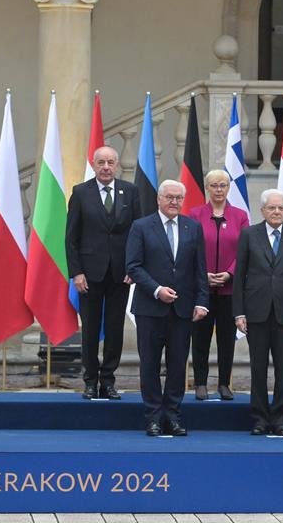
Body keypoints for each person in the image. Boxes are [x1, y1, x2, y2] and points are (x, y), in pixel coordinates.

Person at [126, 180, 209, 437]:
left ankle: (172, 416)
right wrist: (157, 290)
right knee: (149, 364)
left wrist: (202, 302)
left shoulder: (192, 227)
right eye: (169, 197)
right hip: (150, 309)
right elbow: (133, 266)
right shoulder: (141, 226)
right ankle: (152, 416)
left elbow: (200, 269)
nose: (174, 202)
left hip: (182, 311)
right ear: (159, 199)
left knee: (177, 366)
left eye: (178, 198)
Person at [64, 145, 142, 400]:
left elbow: (138, 234)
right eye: (101, 162)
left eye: (110, 162)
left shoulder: (130, 192)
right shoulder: (81, 193)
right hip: (89, 274)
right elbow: (71, 238)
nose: (106, 167)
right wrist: (76, 272)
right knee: (89, 329)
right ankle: (90, 380)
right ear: (94, 164)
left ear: (117, 164)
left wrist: (134, 267)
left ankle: (108, 380)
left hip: (121, 274)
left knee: (114, 329)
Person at [233, 189, 283, 437]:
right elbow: (239, 276)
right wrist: (239, 312)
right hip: (255, 311)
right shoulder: (249, 234)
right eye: (272, 208)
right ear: (263, 210)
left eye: (281, 208)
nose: (276, 212)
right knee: (258, 368)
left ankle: (281, 418)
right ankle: (258, 418)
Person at [189, 169, 250, 401]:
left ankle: (224, 382)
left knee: (226, 338)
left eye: (223, 185)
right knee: (200, 337)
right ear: (207, 187)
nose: (218, 190)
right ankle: (201, 383)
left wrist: (229, 273)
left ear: (228, 188)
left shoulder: (240, 216)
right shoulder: (195, 214)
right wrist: (202, 274)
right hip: (201, 288)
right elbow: (190, 248)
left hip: (229, 288)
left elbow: (245, 251)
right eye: (214, 185)